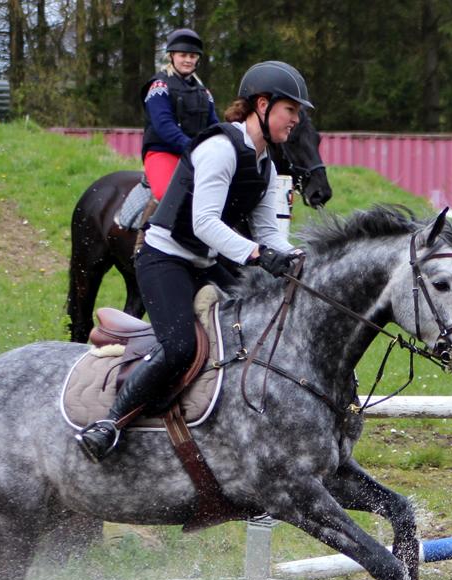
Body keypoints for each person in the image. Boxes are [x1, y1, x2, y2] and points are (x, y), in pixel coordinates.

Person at [77, 61, 311, 463]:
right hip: (163, 258)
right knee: (180, 347)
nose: (296, 120)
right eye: (291, 110)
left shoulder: (267, 164)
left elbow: (268, 231)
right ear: (262, 105)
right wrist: (256, 254)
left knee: (255, 324)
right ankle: (110, 424)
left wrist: (296, 257)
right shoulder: (220, 148)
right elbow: (204, 222)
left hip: (203, 263)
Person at [141, 28, 219, 203]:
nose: (188, 60)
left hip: (196, 154)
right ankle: (146, 229)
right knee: (166, 194)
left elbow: (213, 125)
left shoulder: (204, 92)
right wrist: (191, 146)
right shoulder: (159, 86)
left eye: (192, 56)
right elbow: (163, 125)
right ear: (172, 56)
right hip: (163, 152)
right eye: (183, 55)